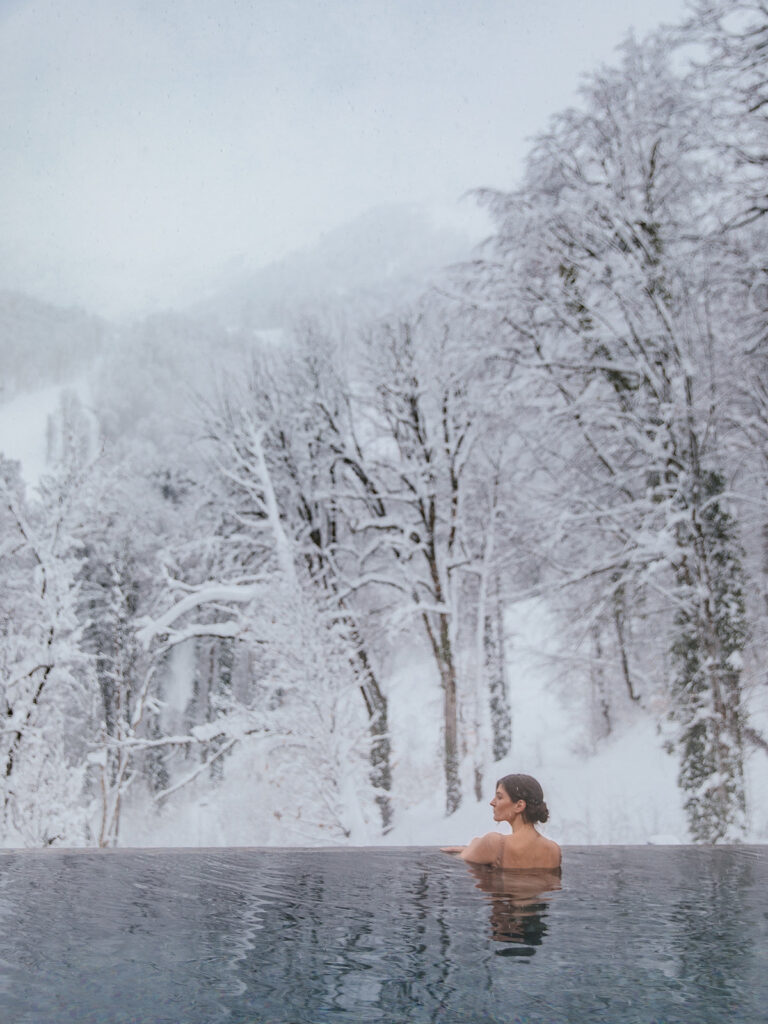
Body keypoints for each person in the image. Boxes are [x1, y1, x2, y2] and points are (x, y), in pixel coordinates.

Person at [442, 773, 561, 870]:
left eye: (499, 797)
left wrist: (475, 844)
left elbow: (457, 863)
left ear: (519, 806)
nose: (492, 802)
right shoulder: (554, 850)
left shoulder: (496, 844)